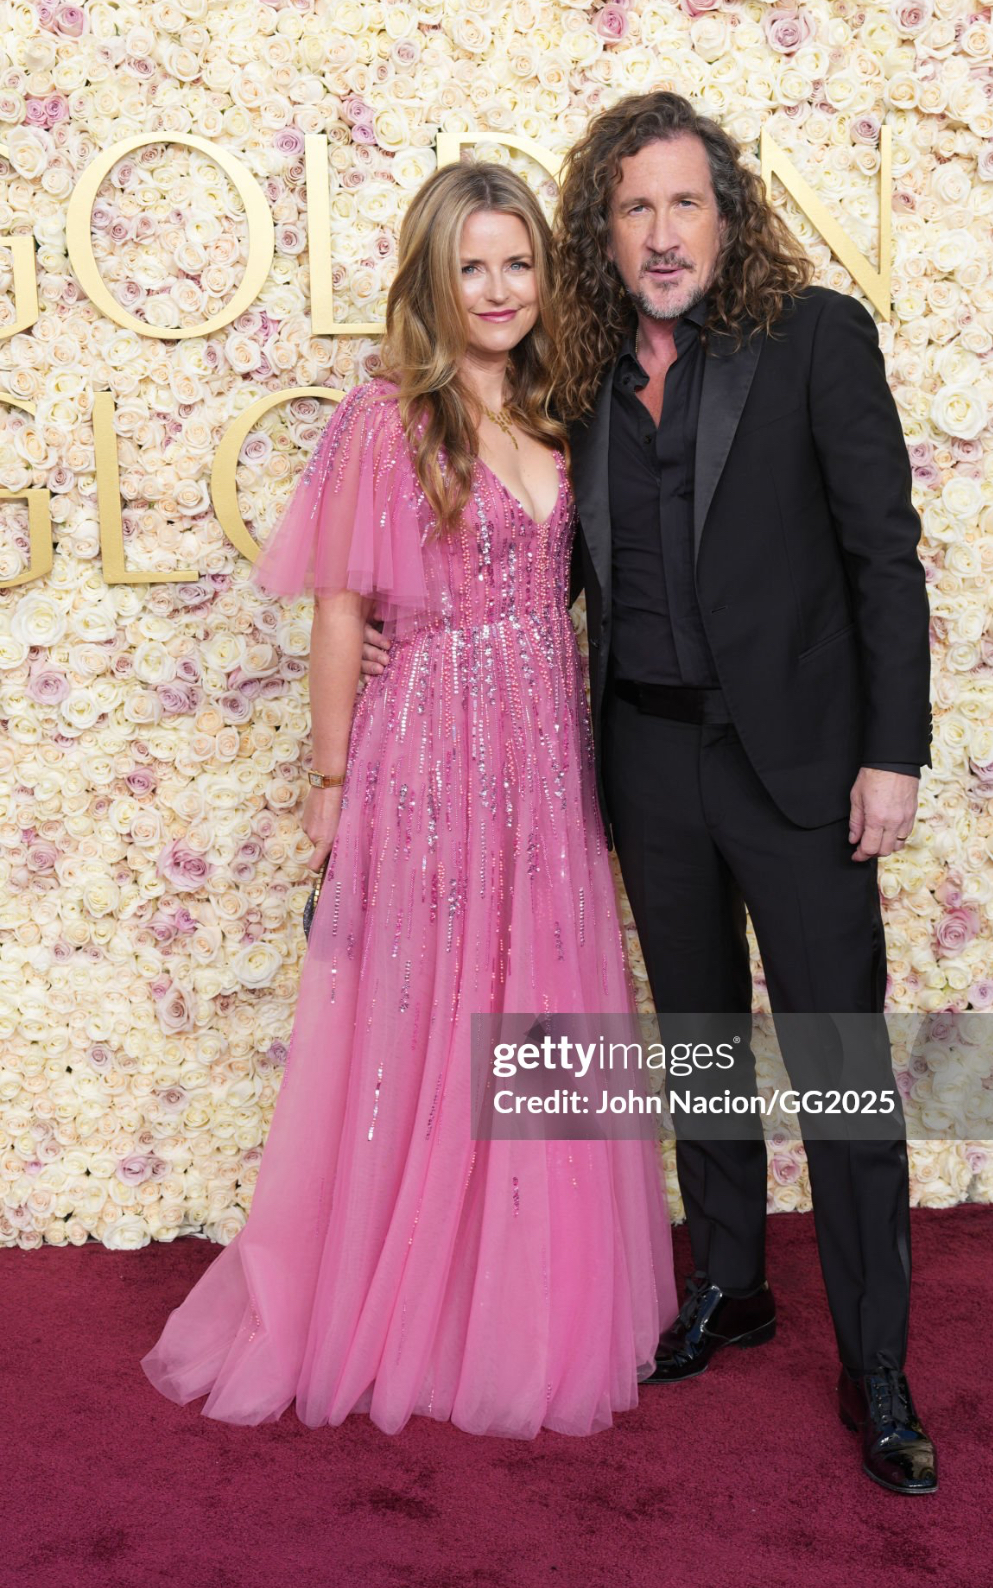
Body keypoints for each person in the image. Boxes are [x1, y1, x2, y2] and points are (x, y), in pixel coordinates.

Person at [361, 95, 939, 1494]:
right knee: (694, 1044)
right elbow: (540, 550)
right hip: (643, 755)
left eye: (683, 204)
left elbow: (882, 555)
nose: (660, 232)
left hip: (799, 763)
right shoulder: (578, 368)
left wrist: (892, 752)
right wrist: (408, 624)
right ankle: (728, 1283)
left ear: (721, 214)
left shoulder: (812, 339)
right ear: (600, 231)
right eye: (632, 209)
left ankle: (875, 1365)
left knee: (839, 1069)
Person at [140, 161, 677, 1440]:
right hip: (428, 755)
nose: (498, 290)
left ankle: (523, 1302)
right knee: (426, 1020)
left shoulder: (567, 405)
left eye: (518, 263)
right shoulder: (384, 418)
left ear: (546, 277)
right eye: (472, 266)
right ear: (433, 279)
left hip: (549, 756)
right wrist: (330, 782)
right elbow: (340, 609)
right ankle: (401, 1299)